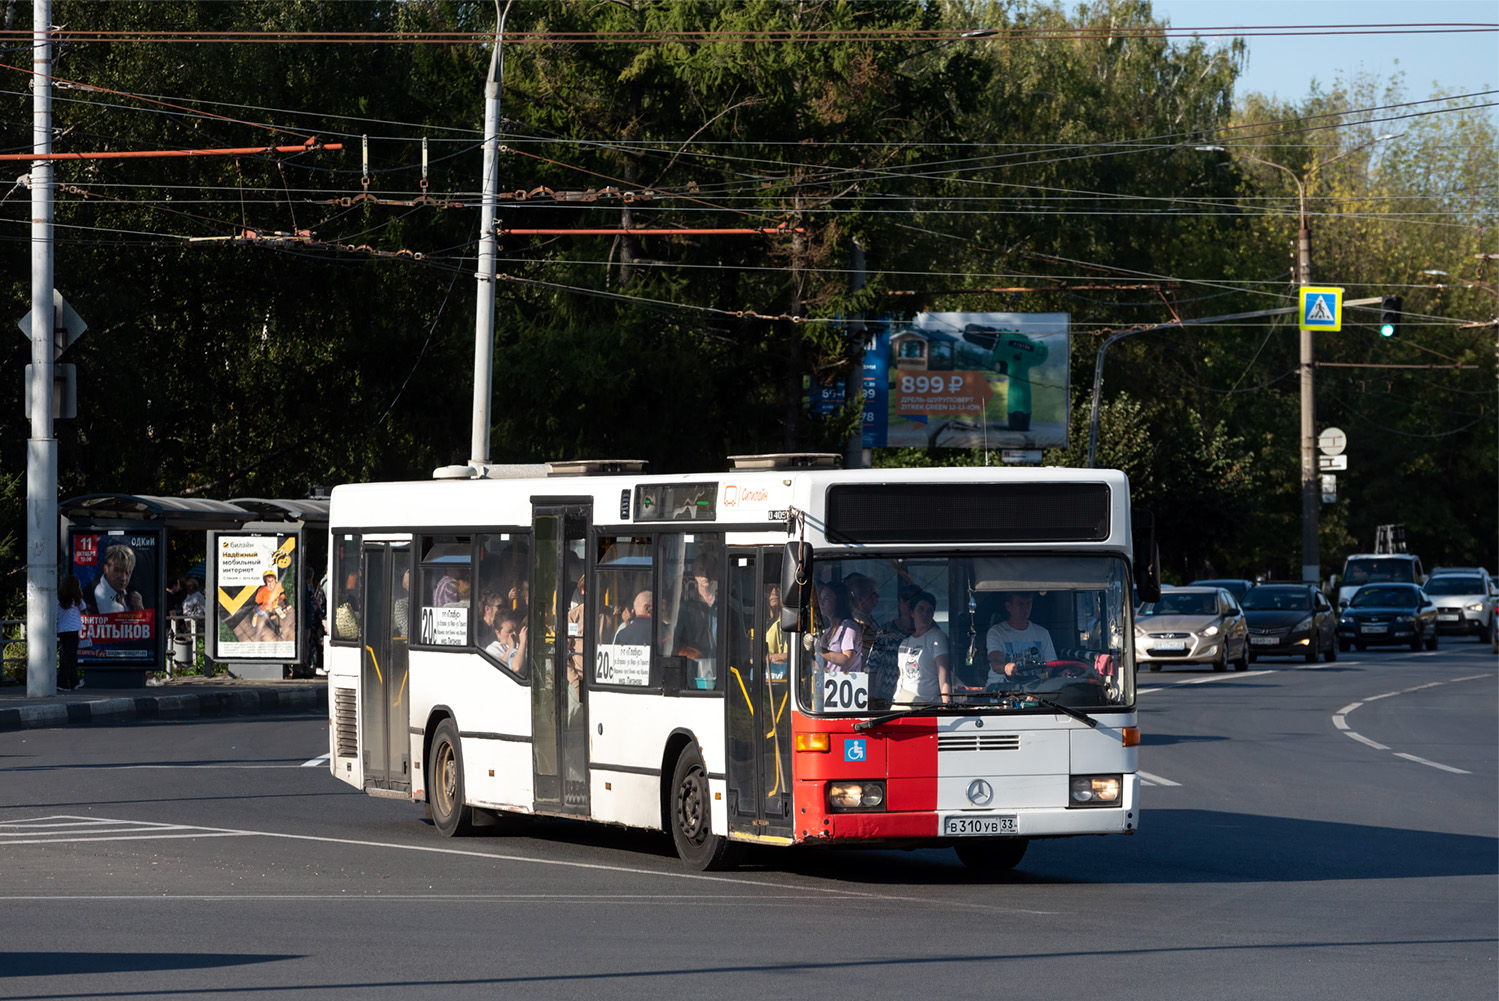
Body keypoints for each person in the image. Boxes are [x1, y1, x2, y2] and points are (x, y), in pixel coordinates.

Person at [986, 591, 1057, 686]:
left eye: (1029, 603)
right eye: (1020, 604)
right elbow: (995, 663)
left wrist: (1041, 678)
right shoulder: (996, 632)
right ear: (1008, 607)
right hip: (1002, 690)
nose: (1026, 608)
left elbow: (1051, 665)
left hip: (1036, 692)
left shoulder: (1042, 633)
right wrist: (1006, 667)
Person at [894, 591, 952, 705]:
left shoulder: (937, 637)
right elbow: (901, 678)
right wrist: (894, 701)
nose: (925, 614)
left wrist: (946, 704)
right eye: (920, 609)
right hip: (903, 704)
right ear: (912, 613)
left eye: (929, 610)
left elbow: (943, 676)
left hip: (927, 706)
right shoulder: (904, 643)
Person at [85, 544, 144, 614]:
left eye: (128, 572)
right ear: (105, 569)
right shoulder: (95, 596)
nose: (123, 578)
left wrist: (140, 609)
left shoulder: (131, 595)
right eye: (117, 570)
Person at [57, 574, 84, 691]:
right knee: (71, 657)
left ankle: (74, 682)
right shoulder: (77, 600)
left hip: (62, 630)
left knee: (66, 656)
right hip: (73, 631)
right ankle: (63, 682)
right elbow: (84, 612)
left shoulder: (58, 600)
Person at [484, 608, 528, 675]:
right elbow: (498, 669)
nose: (515, 633)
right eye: (509, 631)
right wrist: (511, 648)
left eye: (516, 629)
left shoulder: (522, 644)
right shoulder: (493, 649)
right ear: (497, 633)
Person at [764, 584, 787, 677]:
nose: (773, 592)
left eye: (777, 589)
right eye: (770, 589)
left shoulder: (790, 622)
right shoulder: (761, 623)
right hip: (764, 675)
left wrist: (777, 657)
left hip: (785, 674)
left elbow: (795, 654)